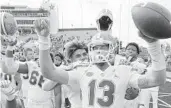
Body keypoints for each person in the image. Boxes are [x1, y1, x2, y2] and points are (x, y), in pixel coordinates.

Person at [35, 17, 166, 108]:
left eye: (102, 47)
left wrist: (153, 45)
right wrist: (43, 39)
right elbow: (48, 72)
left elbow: (156, 80)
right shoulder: (80, 70)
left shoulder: (123, 70)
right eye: (95, 47)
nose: (98, 51)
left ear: (112, 48)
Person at [1, 12, 57, 108]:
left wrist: (44, 39)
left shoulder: (56, 70)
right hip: (30, 102)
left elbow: (57, 93)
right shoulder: (31, 65)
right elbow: (9, 67)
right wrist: (10, 47)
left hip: (47, 103)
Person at [43, 40, 89, 108]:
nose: (83, 57)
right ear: (70, 59)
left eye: (84, 54)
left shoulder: (93, 69)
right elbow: (46, 87)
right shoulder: (69, 73)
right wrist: (65, 69)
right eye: (78, 56)